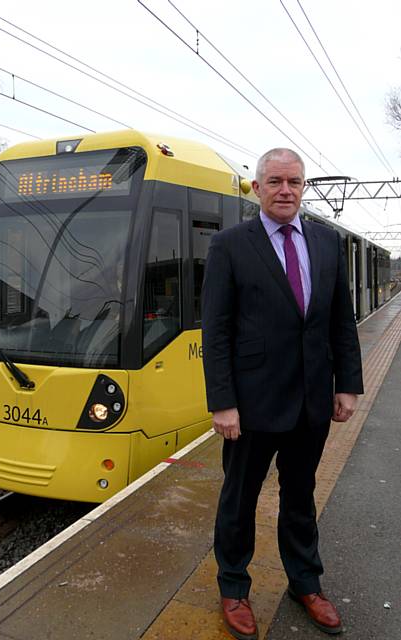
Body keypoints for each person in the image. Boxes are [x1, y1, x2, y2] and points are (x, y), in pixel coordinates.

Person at [201, 148, 363, 639]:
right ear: (257, 189)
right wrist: (223, 401)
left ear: (303, 186)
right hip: (250, 405)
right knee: (239, 499)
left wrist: (349, 385)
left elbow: (340, 319)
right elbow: (217, 329)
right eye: (274, 181)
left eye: (293, 181)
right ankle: (234, 588)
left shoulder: (327, 242)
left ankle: (305, 582)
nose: (285, 190)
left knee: (300, 495)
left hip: (312, 399)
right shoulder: (230, 245)